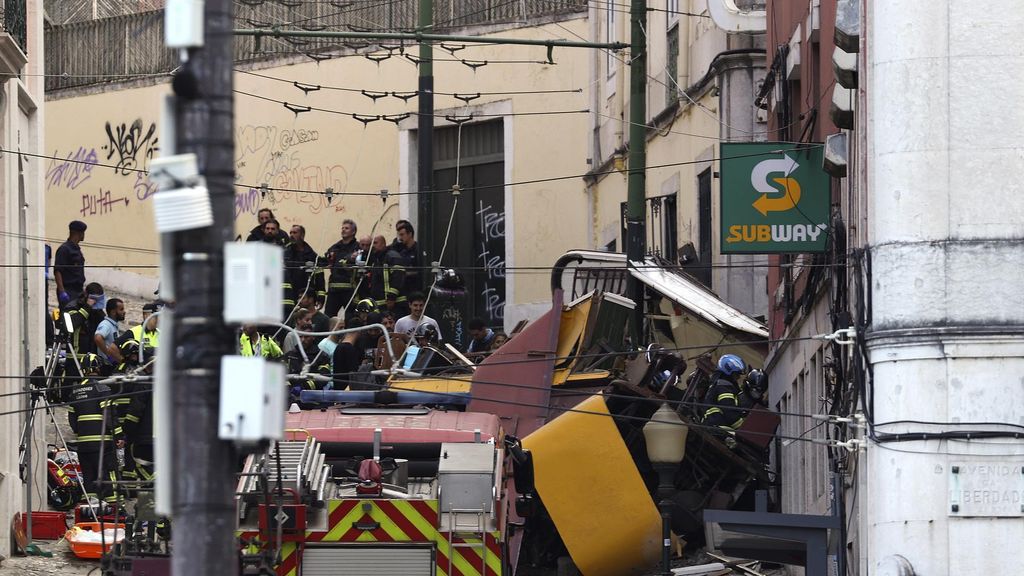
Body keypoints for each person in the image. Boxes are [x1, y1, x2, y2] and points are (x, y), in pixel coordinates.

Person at [67, 353, 123, 506]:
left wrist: (81, 434)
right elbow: (109, 416)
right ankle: (116, 509)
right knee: (108, 475)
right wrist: (119, 436)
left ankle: (89, 511)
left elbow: (72, 421)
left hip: (84, 446)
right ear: (98, 368)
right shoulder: (102, 388)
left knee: (89, 478)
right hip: (102, 445)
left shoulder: (75, 391)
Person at [702, 354, 748, 441]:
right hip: (720, 428)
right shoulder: (724, 387)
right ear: (728, 372)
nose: (738, 377)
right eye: (736, 374)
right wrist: (744, 429)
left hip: (714, 426)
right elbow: (729, 411)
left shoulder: (718, 384)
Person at [283, 224, 325, 321]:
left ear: (302, 235)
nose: (291, 235)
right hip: (288, 296)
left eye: (295, 233)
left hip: (306, 295)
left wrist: (321, 296)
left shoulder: (311, 255)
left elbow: (319, 276)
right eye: (290, 232)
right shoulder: (285, 253)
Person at [324, 219, 361, 318]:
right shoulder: (336, 246)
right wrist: (329, 256)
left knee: (351, 317)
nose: (343, 230)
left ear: (353, 232)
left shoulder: (357, 247)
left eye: (347, 228)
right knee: (328, 317)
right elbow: (327, 255)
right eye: (342, 228)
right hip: (334, 289)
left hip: (349, 290)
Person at [366, 235, 408, 315]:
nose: (373, 246)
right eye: (372, 244)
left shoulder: (392, 256)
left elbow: (398, 277)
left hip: (395, 303)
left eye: (375, 243)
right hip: (381, 304)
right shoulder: (376, 259)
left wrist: (392, 297)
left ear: (383, 244)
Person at [62, 282, 106, 356]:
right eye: (93, 299)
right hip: (75, 355)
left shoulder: (97, 310)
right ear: (86, 294)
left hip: (92, 355)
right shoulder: (72, 307)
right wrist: (87, 307)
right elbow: (71, 325)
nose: (95, 302)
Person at [55, 220, 88, 306]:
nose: (83, 235)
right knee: (68, 316)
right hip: (68, 290)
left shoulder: (76, 249)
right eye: (82, 232)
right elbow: (58, 271)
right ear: (76, 233)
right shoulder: (64, 249)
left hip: (78, 290)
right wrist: (62, 291)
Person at [332, 318, 365, 391]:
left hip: (337, 392)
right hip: (347, 393)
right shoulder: (350, 350)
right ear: (359, 331)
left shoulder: (338, 347)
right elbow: (353, 376)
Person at [393, 221, 422, 296]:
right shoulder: (402, 252)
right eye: (399, 235)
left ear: (410, 234)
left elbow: (422, 270)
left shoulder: (419, 250)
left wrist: (406, 273)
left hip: (416, 288)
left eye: (402, 235)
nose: (400, 238)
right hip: (404, 290)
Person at [94, 298, 125, 364]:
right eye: (121, 309)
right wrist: (108, 354)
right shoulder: (106, 324)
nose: (124, 312)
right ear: (113, 312)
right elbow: (98, 338)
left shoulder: (113, 325)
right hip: (105, 365)